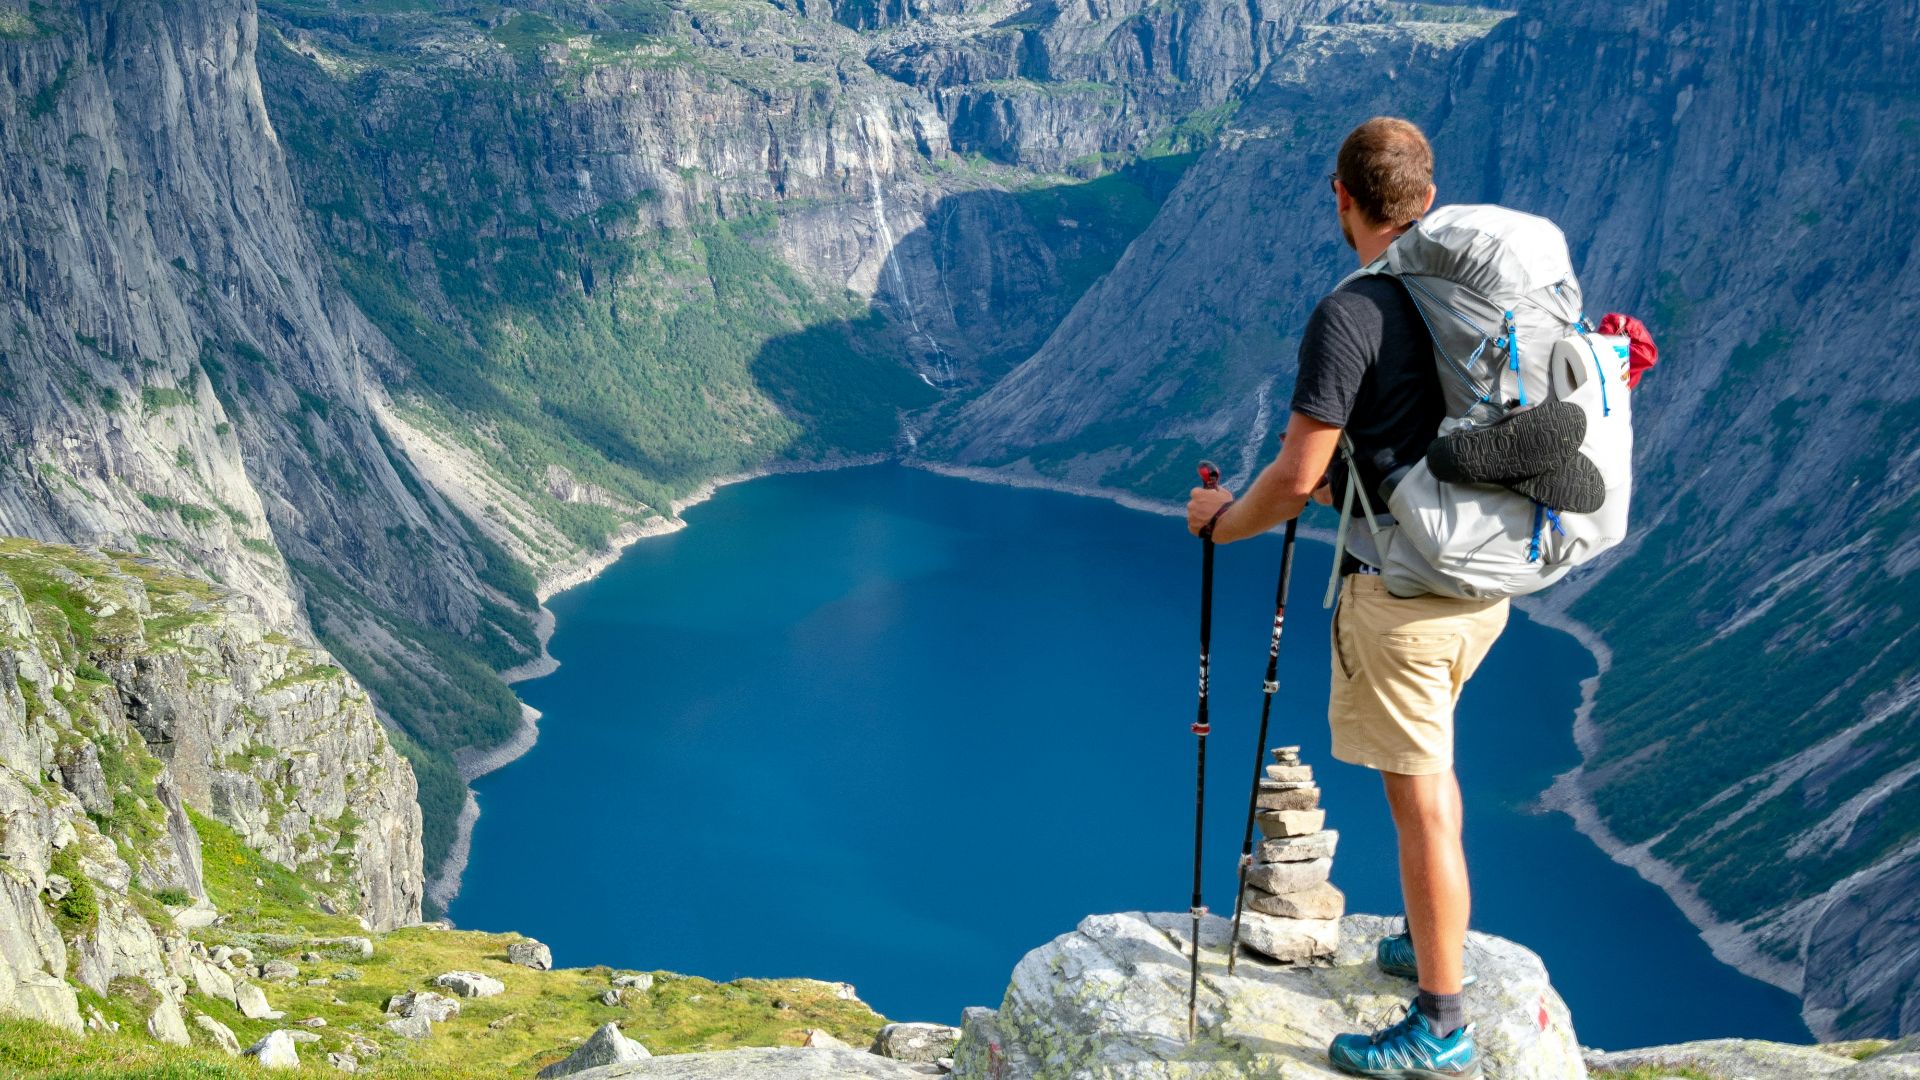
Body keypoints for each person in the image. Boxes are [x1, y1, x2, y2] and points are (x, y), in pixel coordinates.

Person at [1185, 116, 1501, 1080]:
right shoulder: (1467, 293)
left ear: (1342, 196)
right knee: (1433, 776)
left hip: (1402, 595)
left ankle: (1440, 1021)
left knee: (1419, 803)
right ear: (1426, 197)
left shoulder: (1353, 313)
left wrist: (1219, 522)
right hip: (1481, 580)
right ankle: (1423, 935)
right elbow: (1394, 458)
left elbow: (1297, 475)